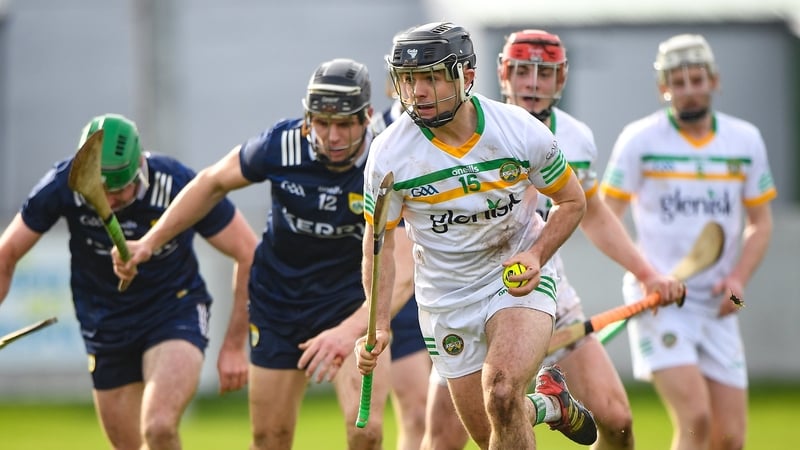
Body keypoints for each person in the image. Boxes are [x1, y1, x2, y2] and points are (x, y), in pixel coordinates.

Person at [113, 58, 421, 450]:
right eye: (322, 123)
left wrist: (349, 332)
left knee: (366, 432)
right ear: (307, 119)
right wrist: (149, 242)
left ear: (367, 118)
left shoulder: (390, 160)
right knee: (269, 438)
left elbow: (405, 272)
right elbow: (210, 182)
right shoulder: (280, 145)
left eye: (344, 124)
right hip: (279, 304)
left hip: (351, 304)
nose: (332, 136)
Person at [420, 29, 686, 450]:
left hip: (547, 293)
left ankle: (549, 402)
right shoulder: (468, 129)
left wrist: (647, 274)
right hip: (468, 298)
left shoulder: (576, 138)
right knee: (444, 437)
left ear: (561, 80)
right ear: (503, 74)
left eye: (545, 74)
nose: (532, 83)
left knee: (616, 419)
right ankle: (548, 406)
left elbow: (593, 212)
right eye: (522, 71)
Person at [355, 21, 597, 449]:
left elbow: (572, 201)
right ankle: (549, 405)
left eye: (430, 78)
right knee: (496, 432)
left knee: (502, 392)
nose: (418, 93)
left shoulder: (519, 131)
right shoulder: (389, 155)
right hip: (446, 301)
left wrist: (538, 254)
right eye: (408, 80)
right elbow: (380, 243)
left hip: (515, 279)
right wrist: (377, 321)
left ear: (466, 76)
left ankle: (534, 401)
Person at [0, 113, 256, 450]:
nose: (112, 202)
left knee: (159, 427)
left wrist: (235, 344)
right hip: (105, 323)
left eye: (120, 190)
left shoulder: (175, 182)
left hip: (173, 310)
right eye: (102, 192)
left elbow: (248, 251)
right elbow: (8, 252)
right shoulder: (63, 184)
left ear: (139, 170)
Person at [600, 33, 777, 450]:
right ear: (664, 88)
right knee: (696, 419)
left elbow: (761, 224)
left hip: (724, 299)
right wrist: (645, 274)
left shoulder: (745, 140)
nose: (689, 90)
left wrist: (739, 278)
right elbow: (605, 215)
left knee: (730, 438)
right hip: (661, 299)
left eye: (697, 79)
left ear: (714, 80)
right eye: (678, 82)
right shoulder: (639, 140)